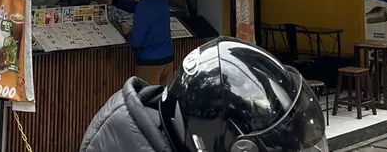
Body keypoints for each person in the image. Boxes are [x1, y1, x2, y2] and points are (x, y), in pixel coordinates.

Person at [79, 37, 328, 152]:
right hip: (162, 59)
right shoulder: (122, 139)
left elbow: (137, 35)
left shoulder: (147, 127)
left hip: (152, 60)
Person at [100, 0, 173, 87]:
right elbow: (137, 6)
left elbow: (136, 41)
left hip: (150, 62)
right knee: (164, 96)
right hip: (168, 60)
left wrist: (127, 32)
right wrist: (113, 1)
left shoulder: (144, 5)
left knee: (146, 97)